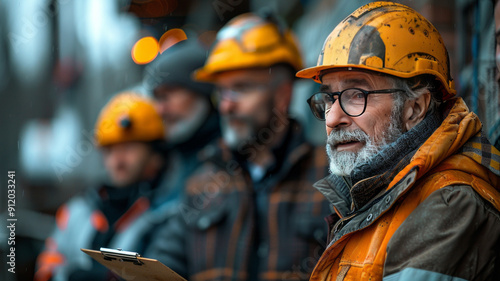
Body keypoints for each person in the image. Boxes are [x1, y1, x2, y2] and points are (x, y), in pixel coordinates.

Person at [295, 2, 500, 280]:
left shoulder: (450, 205)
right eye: (330, 97)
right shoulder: (371, 193)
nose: (332, 119)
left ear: (415, 109)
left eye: (356, 94)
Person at [145, 13, 332, 281]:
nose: (226, 105)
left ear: (282, 94)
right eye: (221, 92)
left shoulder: (330, 178)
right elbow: (162, 265)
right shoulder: (201, 183)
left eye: (240, 89)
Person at [35, 93, 169, 281]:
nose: (118, 160)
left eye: (129, 148)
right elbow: (47, 267)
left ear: (155, 153)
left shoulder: (167, 213)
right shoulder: (77, 211)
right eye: (110, 150)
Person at [142, 39, 220, 201]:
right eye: (156, 98)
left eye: (167, 96)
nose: (159, 110)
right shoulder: (169, 161)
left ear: (202, 91)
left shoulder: (233, 156)